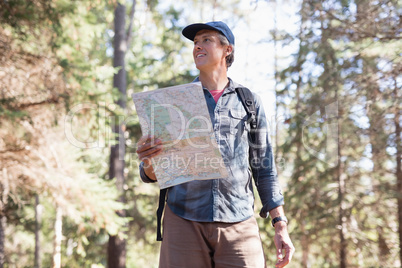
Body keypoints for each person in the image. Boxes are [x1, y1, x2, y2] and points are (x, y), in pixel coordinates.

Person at [136, 21, 294, 268]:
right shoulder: (173, 102)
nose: (197, 46)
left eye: (206, 40)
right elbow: (152, 173)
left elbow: (265, 167)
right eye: (195, 42)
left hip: (239, 222)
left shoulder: (249, 101)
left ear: (227, 49)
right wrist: (148, 160)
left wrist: (280, 224)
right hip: (183, 220)